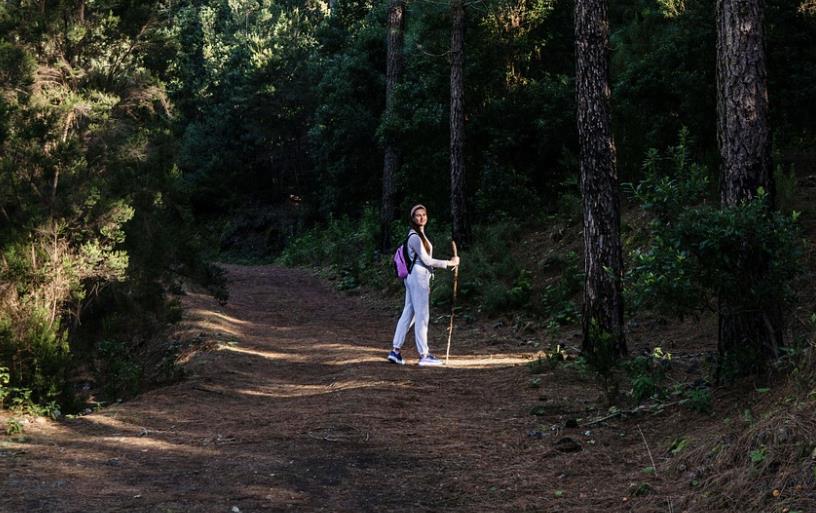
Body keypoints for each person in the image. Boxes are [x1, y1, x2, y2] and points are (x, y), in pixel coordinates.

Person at [388, 204, 460, 366]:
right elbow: (426, 260)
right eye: (418, 215)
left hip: (414, 277)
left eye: (424, 214)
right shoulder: (414, 237)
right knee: (422, 316)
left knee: (409, 313)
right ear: (412, 219)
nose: (422, 217)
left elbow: (425, 260)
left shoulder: (418, 235)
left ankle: (395, 351)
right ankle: (424, 355)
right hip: (418, 278)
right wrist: (449, 263)